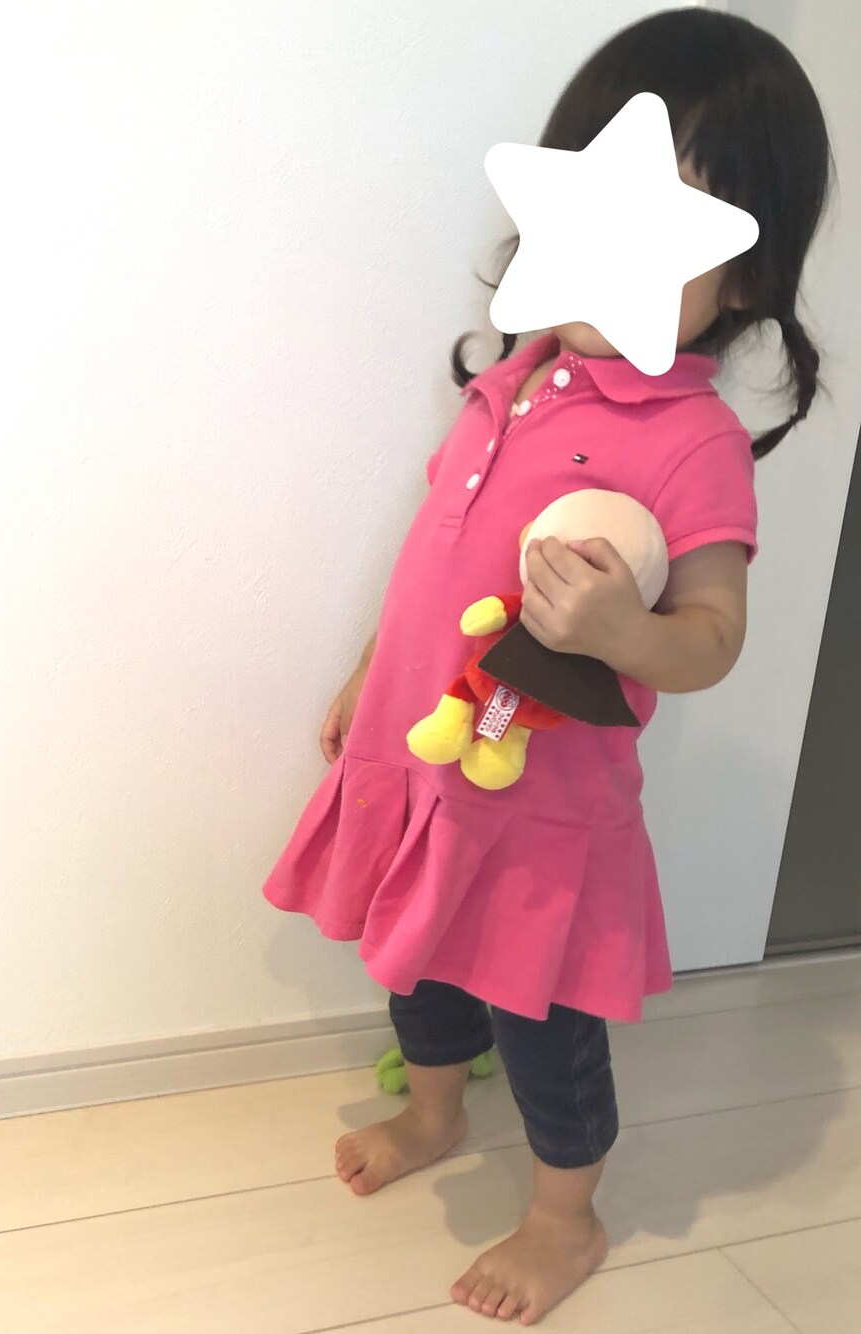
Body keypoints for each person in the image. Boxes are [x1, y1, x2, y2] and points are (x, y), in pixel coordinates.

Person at [263, 8, 833, 1326]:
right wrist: (368, 675)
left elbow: (714, 633)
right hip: (419, 756)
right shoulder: (510, 379)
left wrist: (623, 634)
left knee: (541, 1016)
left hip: (539, 807)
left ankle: (564, 1216)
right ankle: (436, 1111)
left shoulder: (691, 441)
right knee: (412, 963)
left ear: (743, 274)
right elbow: (434, 552)